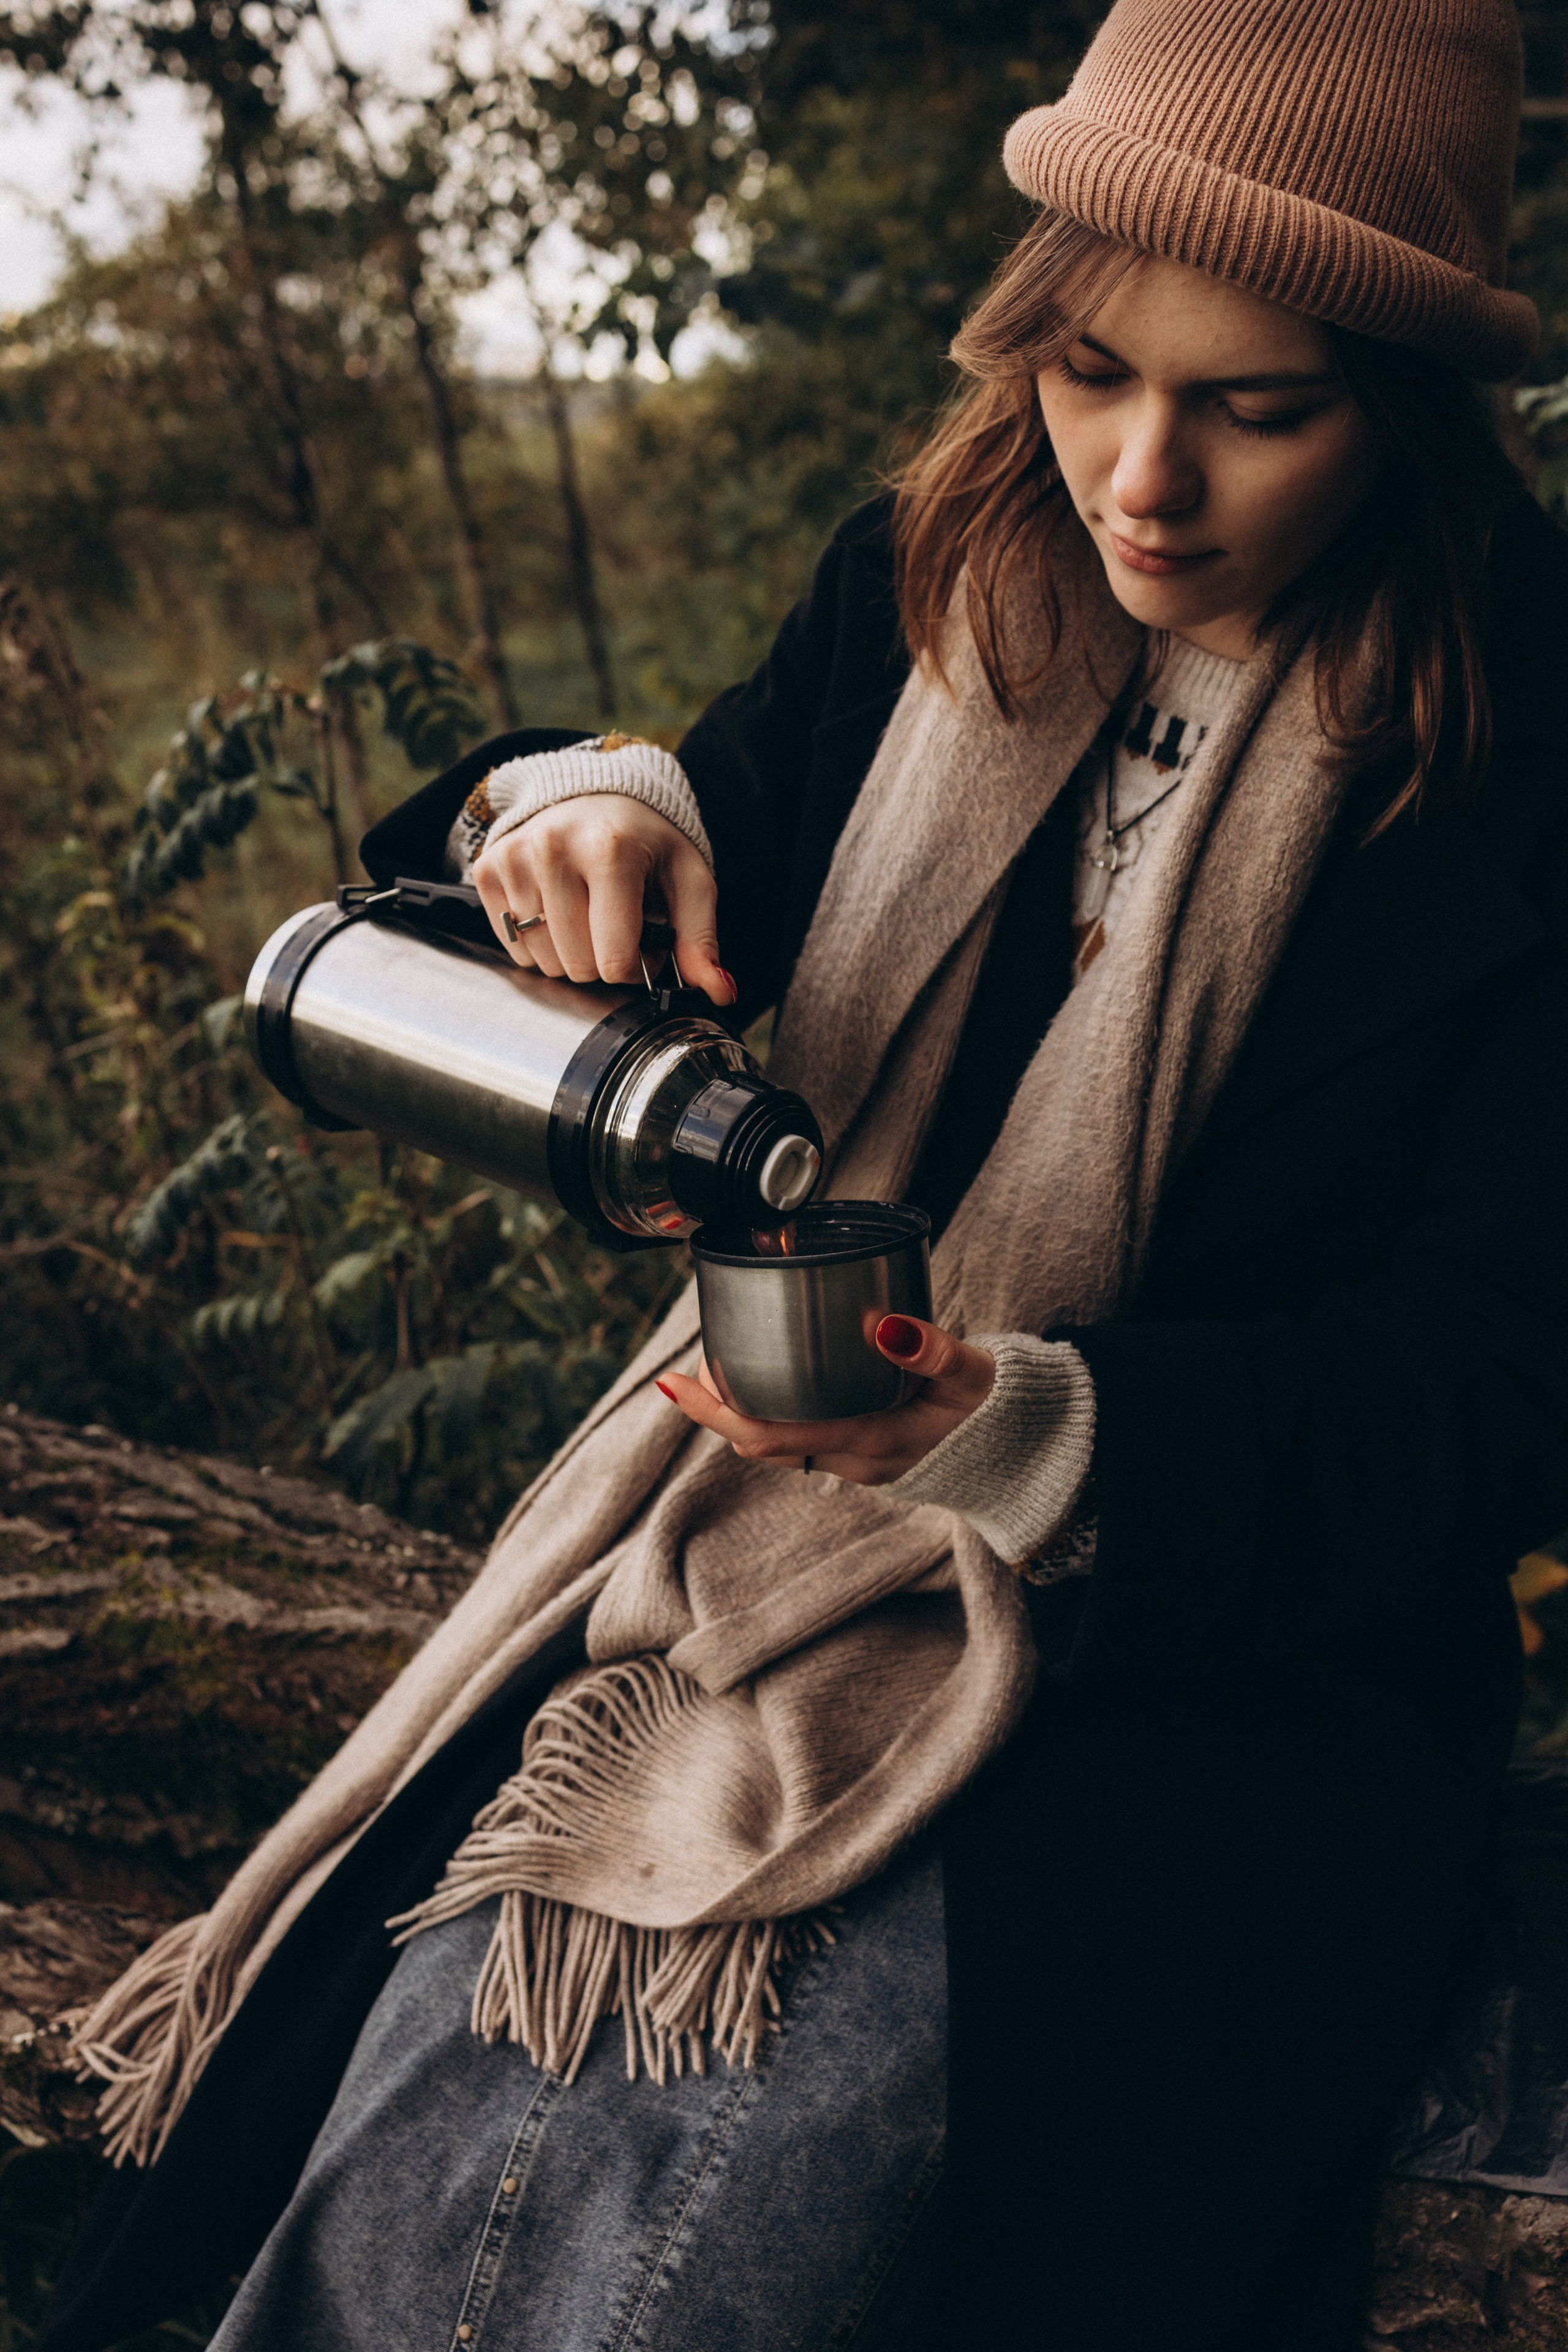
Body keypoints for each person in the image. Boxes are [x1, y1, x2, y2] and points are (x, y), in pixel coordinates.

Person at [42, 2, 1568, 2348]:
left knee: (722, 2186)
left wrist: (1019, 1438)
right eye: (1089, 375)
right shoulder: (937, 581)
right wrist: (579, 806)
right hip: (753, 1544)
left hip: (1210, 1679)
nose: (1142, 478)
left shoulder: (1519, 737)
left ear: (1411, 409)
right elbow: (653, 875)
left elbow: (1494, 1386)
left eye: (1259, 410)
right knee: (443, 2061)